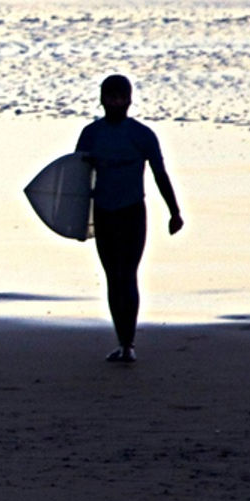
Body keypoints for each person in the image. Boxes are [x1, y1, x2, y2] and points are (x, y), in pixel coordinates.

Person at [75, 73, 182, 364]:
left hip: (132, 212)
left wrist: (174, 212)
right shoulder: (91, 134)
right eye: (111, 97)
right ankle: (121, 342)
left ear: (130, 99)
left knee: (128, 275)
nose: (116, 102)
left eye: (121, 97)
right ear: (102, 99)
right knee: (113, 277)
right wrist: (76, 222)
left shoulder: (143, 135)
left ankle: (128, 344)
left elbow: (160, 175)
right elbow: (77, 181)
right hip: (104, 213)